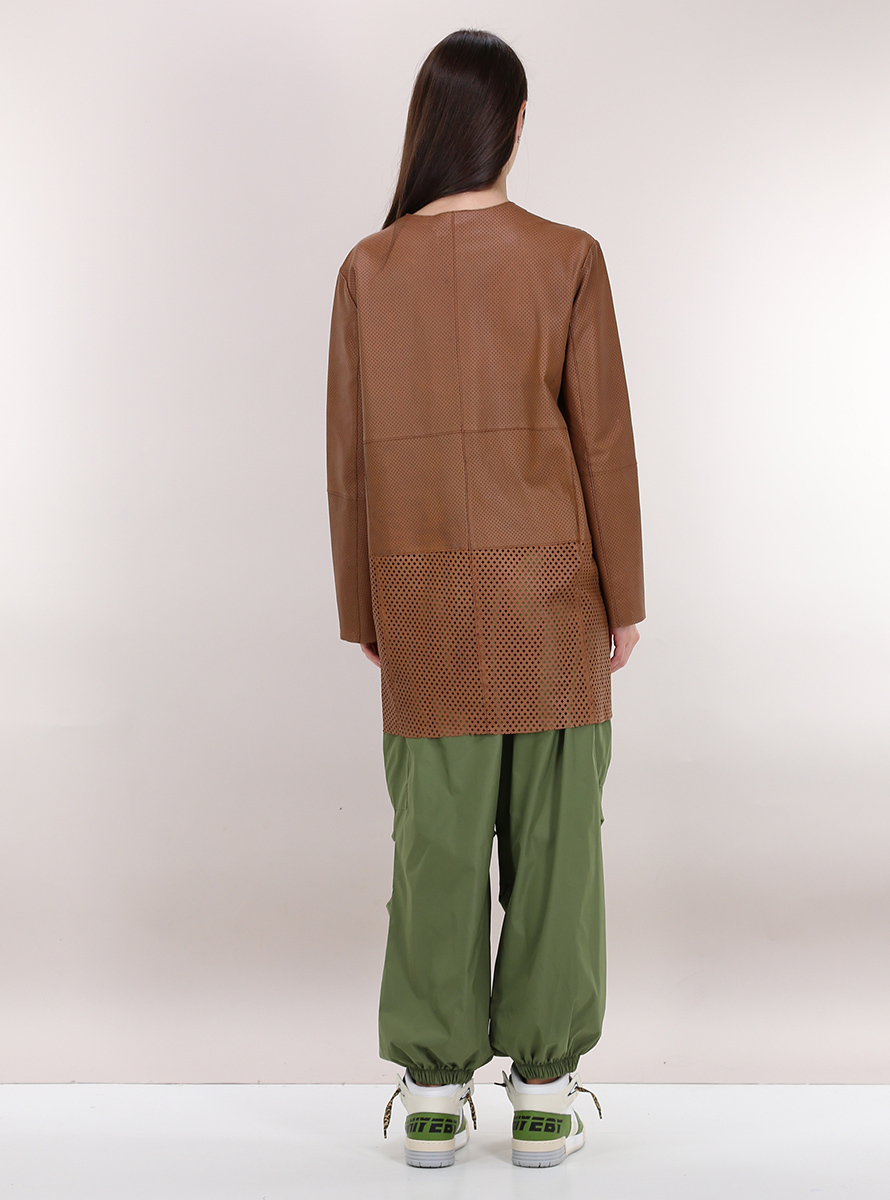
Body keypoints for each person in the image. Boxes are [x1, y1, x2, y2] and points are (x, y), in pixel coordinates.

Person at [325, 27, 645, 1170]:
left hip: (421, 598)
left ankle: (430, 1093)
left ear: (428, 129)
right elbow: (601, 443)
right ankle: (544, 1092)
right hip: (552, 599)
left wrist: (363, 608)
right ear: (511, 126)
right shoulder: (567, 258)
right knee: (557, 853)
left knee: (437, 850)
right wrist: (623, 598)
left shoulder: (367, 271)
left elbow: (349, 460)